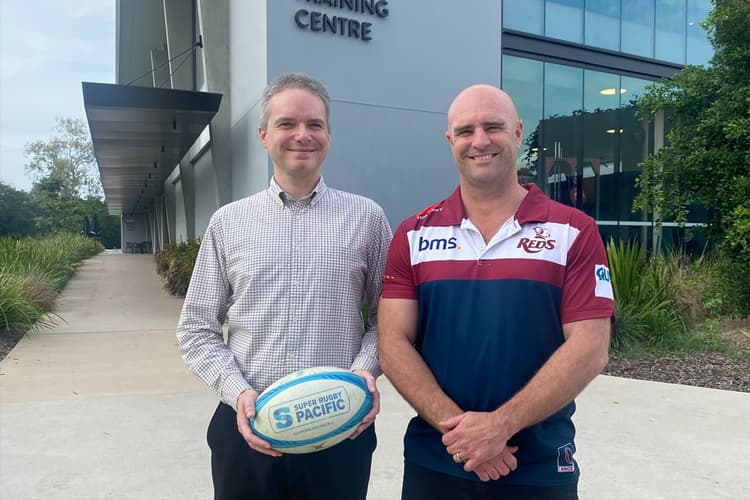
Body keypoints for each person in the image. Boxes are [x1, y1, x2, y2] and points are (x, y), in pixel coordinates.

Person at [378, 84, 614, 500]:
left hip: (539, 466)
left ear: (519, 133)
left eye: (494, 127)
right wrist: (464, 435)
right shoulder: (414, 233)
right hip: (437, 460)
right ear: (450, 141)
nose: (480, 141)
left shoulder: (573, 231)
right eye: (465, 130)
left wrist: (500, 426)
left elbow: (590, 349)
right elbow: (393, 343)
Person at [176, 72, 392, 500]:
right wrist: (239, 394)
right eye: (287, 123)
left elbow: (391, 320)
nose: (302, 135)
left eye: (314, 124)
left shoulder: (367, 219)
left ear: (329, 134)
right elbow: (196, 329)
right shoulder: (228, 222)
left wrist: (361, 377)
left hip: (339, 434)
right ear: (263, 135)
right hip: (246, 434)